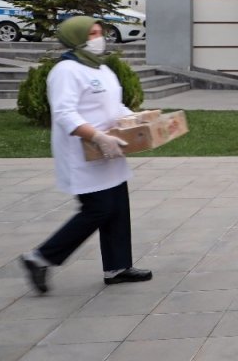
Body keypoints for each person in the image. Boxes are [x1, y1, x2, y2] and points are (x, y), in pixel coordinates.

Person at [20, 17, 152, 293]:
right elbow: (65, 113)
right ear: (75, 37)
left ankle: (117, 267)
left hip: (111, 151)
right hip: (84, 153)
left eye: (99, 32)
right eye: (92, 33)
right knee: (98, 209)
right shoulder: (66, 71)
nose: (98, 37)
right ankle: (40, 257)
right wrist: (97, 136)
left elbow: (114, 106)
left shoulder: (101, 68)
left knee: (117, 207)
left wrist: (137, 120)